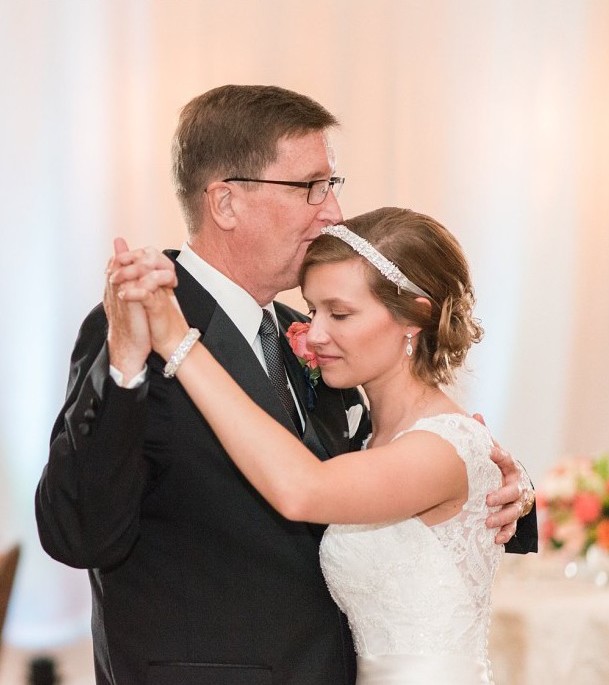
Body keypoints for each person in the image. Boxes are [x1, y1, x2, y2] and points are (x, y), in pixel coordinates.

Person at [36, 85, 536, 685]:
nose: (332, 211)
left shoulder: (312, 337)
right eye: (311, 187)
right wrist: (124, 369)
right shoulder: (142, 322)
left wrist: (496, 484)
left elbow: (387, 468)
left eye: (333, 185)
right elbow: (78, 532)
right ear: (225, 202)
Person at [108, 206, 517, 684]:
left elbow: (301, 488)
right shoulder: (369, 440)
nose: (315, 334)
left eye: (339, 313)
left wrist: (178, 341)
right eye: (313, 309)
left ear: (415, 317)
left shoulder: (449, 445)